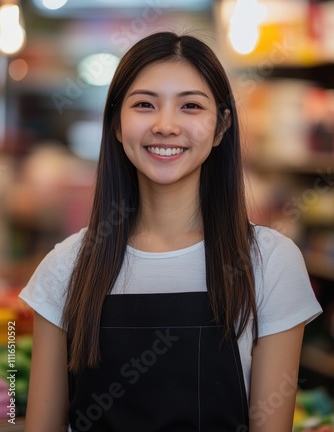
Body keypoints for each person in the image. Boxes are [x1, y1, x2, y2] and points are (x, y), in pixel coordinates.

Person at [19, 31, 322, 432]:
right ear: (115, 123)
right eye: (144, 104)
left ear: (220, 127)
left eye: (191, 106)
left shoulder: (270, 262)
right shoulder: (65, 267)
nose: (165, 125)